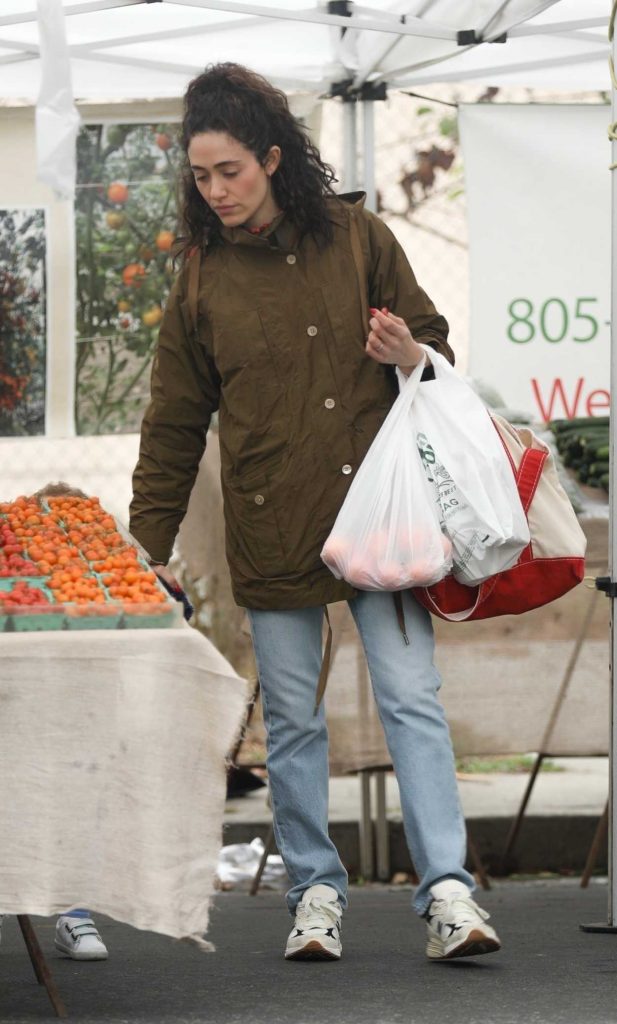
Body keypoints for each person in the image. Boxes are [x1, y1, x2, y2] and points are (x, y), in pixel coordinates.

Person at [129, 62, 501, 963]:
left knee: (412, 701)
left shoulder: (356, 237)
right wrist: (147, 546)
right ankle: (313, 891)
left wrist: (409, 350)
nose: (213, 191)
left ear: (269, 157)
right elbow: (174, 420)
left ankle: (447, 889)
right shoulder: (200, 281)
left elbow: (435, 349)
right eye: (200, 175)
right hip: (271, 521)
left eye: (230, 171)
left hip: (384, 516)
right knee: (291, 720)